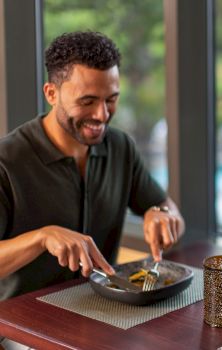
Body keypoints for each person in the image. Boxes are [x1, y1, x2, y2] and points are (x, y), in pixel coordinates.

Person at [0, 31, 185, 300]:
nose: (102, 114)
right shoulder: (7, 161)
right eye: (87, 101)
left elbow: (168, 209)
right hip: (21, 328)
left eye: (111, 99)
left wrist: (163, 215)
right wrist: (42, 237)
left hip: (104, 310)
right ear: (52, 93)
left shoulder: (121, 147)